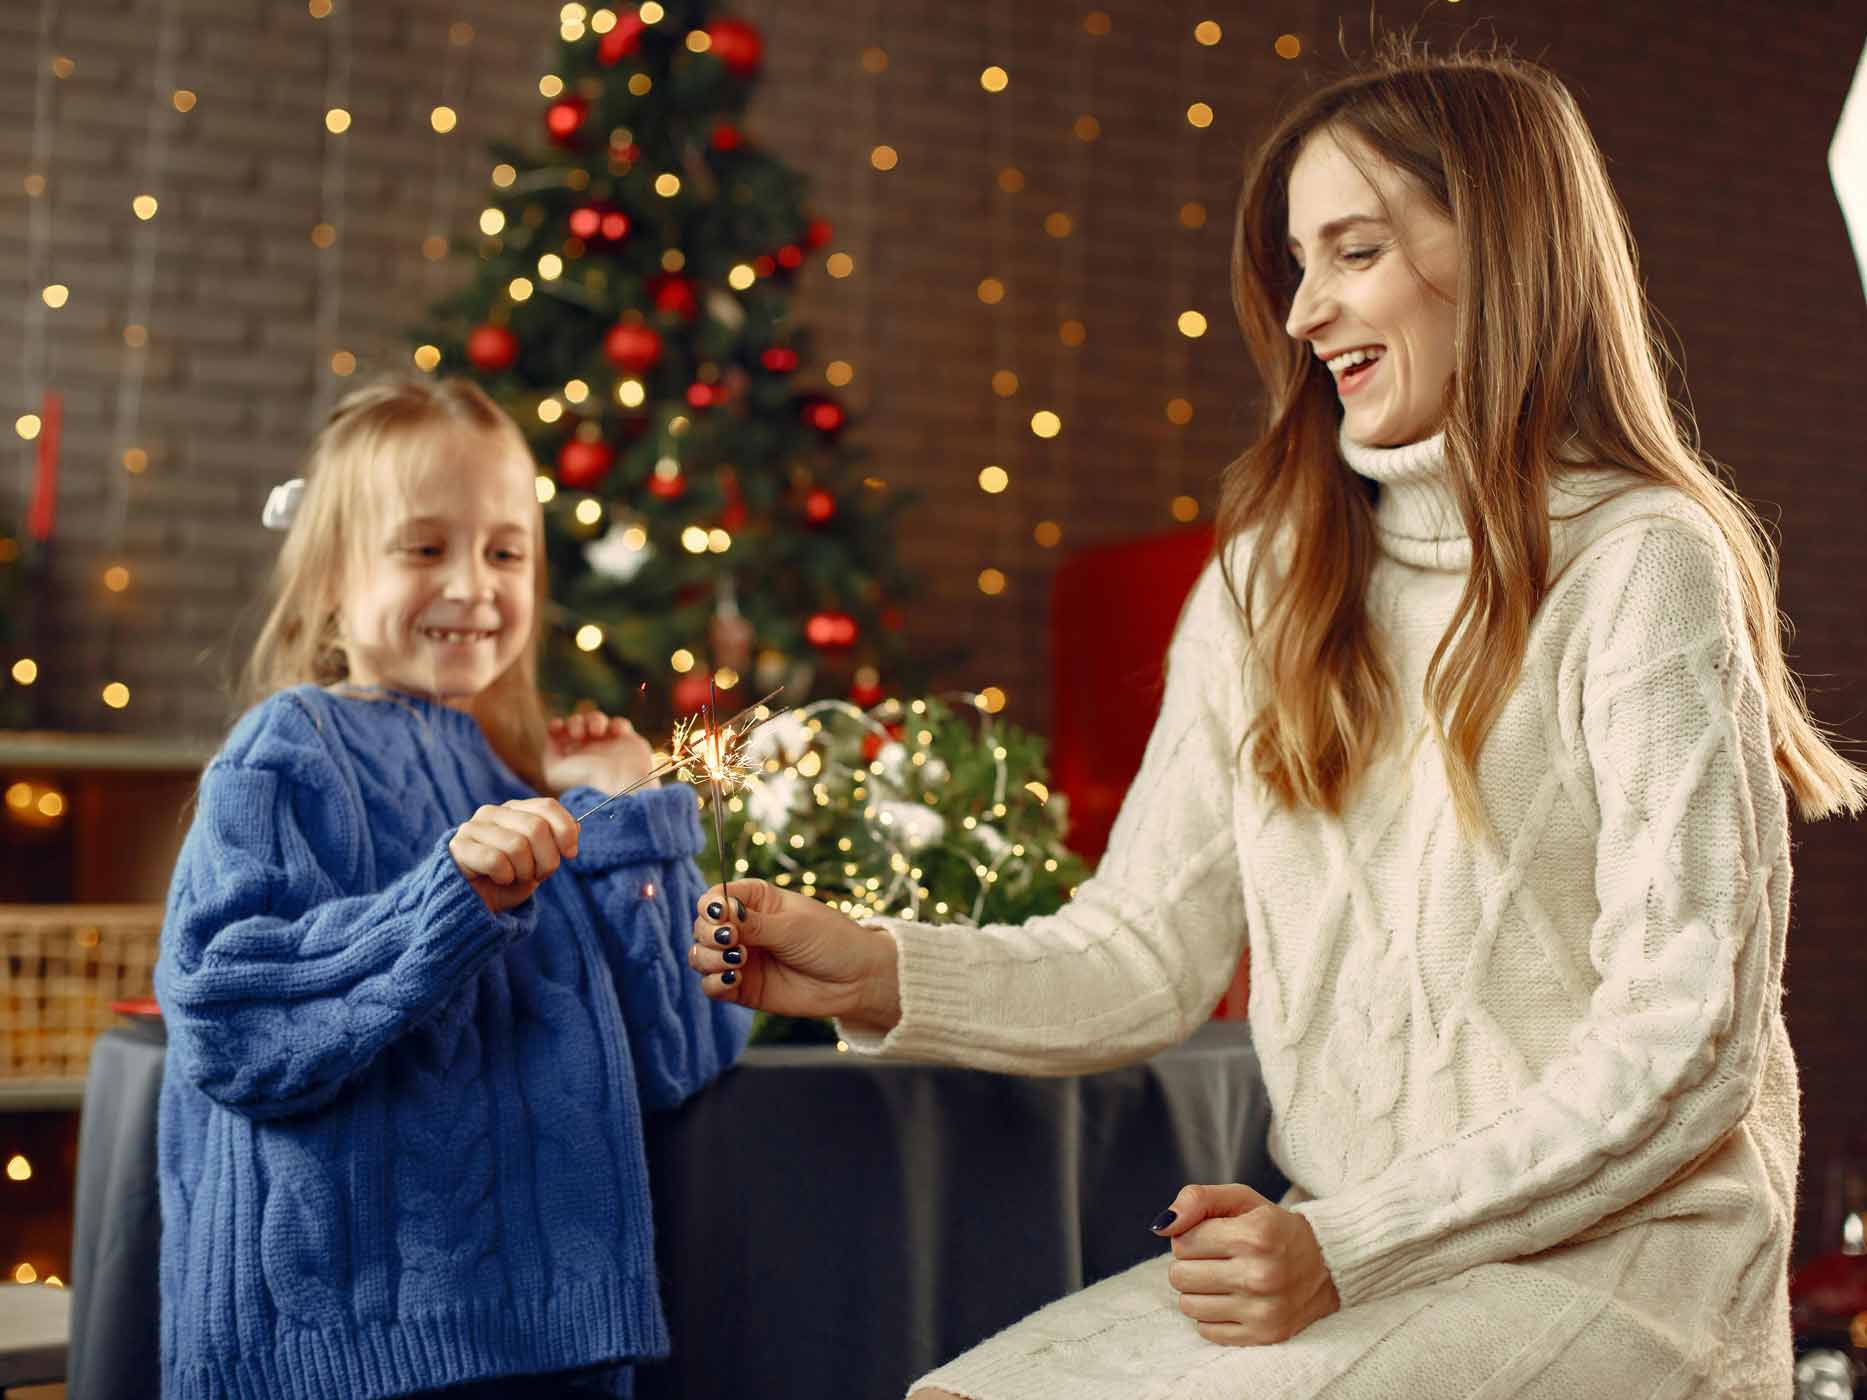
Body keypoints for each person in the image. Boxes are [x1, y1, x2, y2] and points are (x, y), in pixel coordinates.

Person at [686, 36, 1867, 1400]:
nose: (1303, 312)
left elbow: (1686, 1041)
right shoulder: (1271, 576)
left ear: (1501, 250)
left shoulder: (1641, 561)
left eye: (1351, 251)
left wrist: (1344, 1243)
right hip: (1354, 1260)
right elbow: (1140, 951)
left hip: (1622, 1274)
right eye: (1297, 263)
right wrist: (885, 971)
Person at [154, 376, 751, 1400]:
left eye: (505, 550)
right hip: (339, 1362)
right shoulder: (286, 749)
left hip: (554, 1352)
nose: (474, 585)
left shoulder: (522, 789)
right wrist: (444, 899)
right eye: (425, 547)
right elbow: (228, 1018)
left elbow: (683, 1055)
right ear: (332, 575)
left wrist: (630, 822)